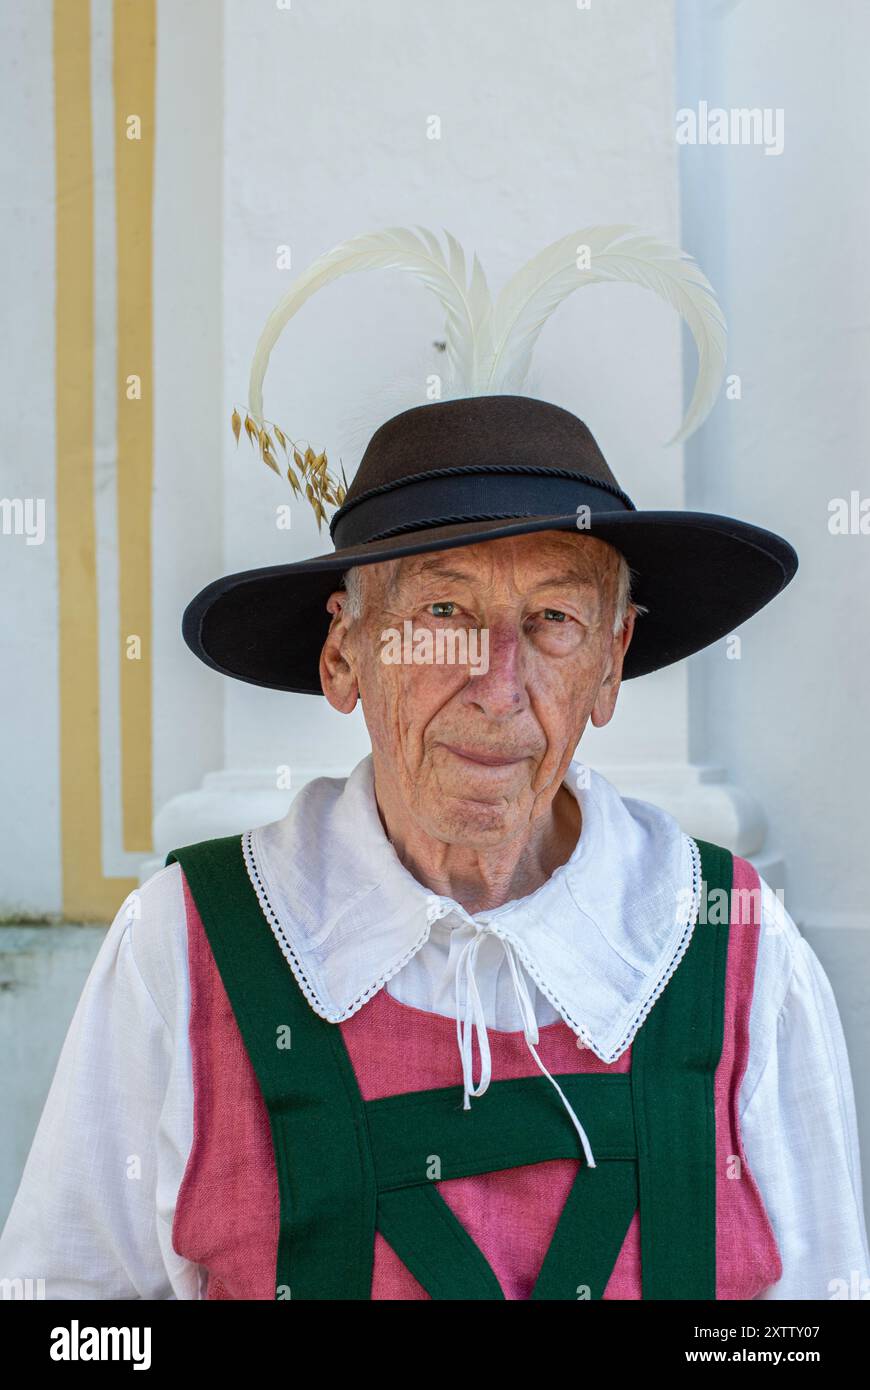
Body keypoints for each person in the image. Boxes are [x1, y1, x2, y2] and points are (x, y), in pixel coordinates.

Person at [1, 227, 867, 1300]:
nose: (497, 684)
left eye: (551, 618)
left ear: (611, 663)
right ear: (344, 653)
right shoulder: (183, 948)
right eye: (443, 610)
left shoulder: (732, 948)